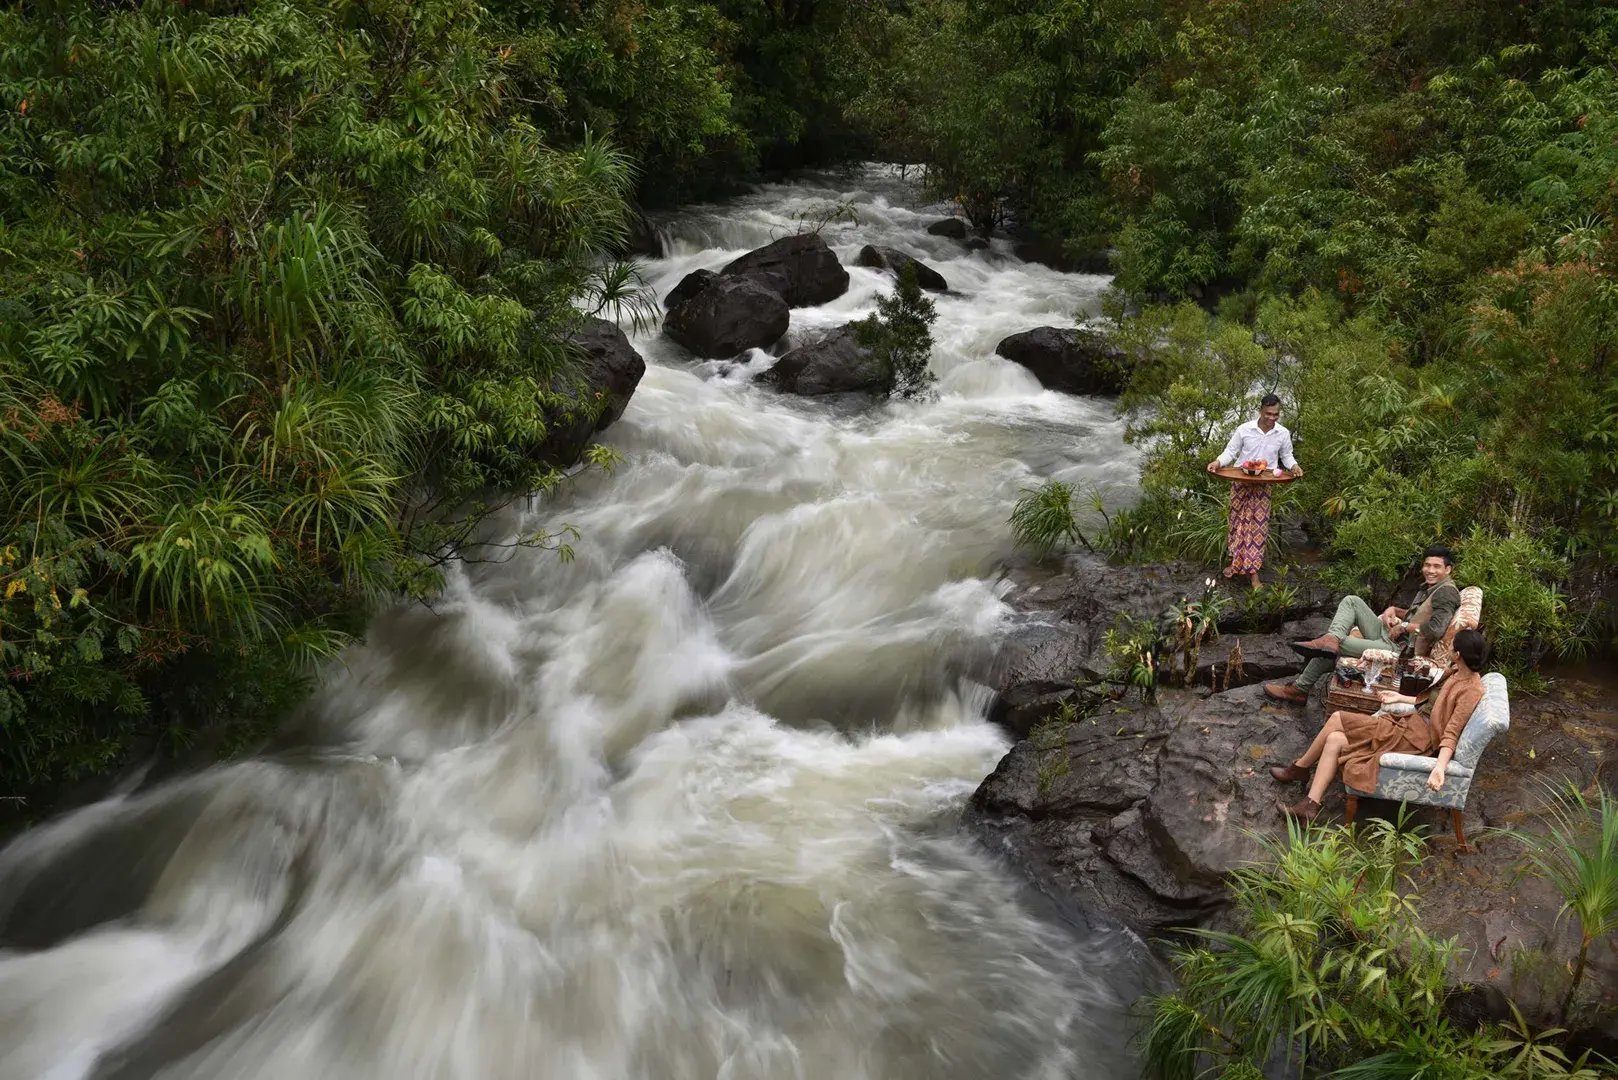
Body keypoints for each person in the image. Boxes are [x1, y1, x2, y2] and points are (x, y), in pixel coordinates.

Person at [1270, 628, 1489, 822]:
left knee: (1337, 718)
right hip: (1408, 724)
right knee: (1335, 738)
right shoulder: (1457, 673)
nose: (1449, 649)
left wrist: (1439, 768)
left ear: (1458, 655)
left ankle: (1299, 769)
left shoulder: (1471, 689)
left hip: (1415, 738)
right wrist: (1399, 698)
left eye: (1452, 647)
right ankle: (1310, 805)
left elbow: (1451, 732)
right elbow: (1433, 704)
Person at [1263, 544, 1462, 705]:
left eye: (1436, 566)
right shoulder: (1433, 587)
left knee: (1334, 646)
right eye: (1427, 565)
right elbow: (1420, 614)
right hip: (1391, 635)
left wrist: (1405, 626)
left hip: (1401, 651)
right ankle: (1329, 641)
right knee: (1352, 601)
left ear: (1448, 569)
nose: (1430, 570)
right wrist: (1394, 610)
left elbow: (1436, 629)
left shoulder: (1446, 593)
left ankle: (1300, 689)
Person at [1206, 394, 1302, 587]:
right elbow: (1231, 452)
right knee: (1236, 525)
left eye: (1276, 414)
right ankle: (1235, 564)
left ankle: (1253, 573)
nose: (1272, 418)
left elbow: (1287, 455)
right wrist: (1217, 462)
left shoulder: (1282, 433)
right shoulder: (1244, 429)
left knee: (1258, 528)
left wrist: (1295, 467)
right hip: (1240, 482)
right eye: (1268, 413)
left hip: (1264, 485)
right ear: (1260, 411)